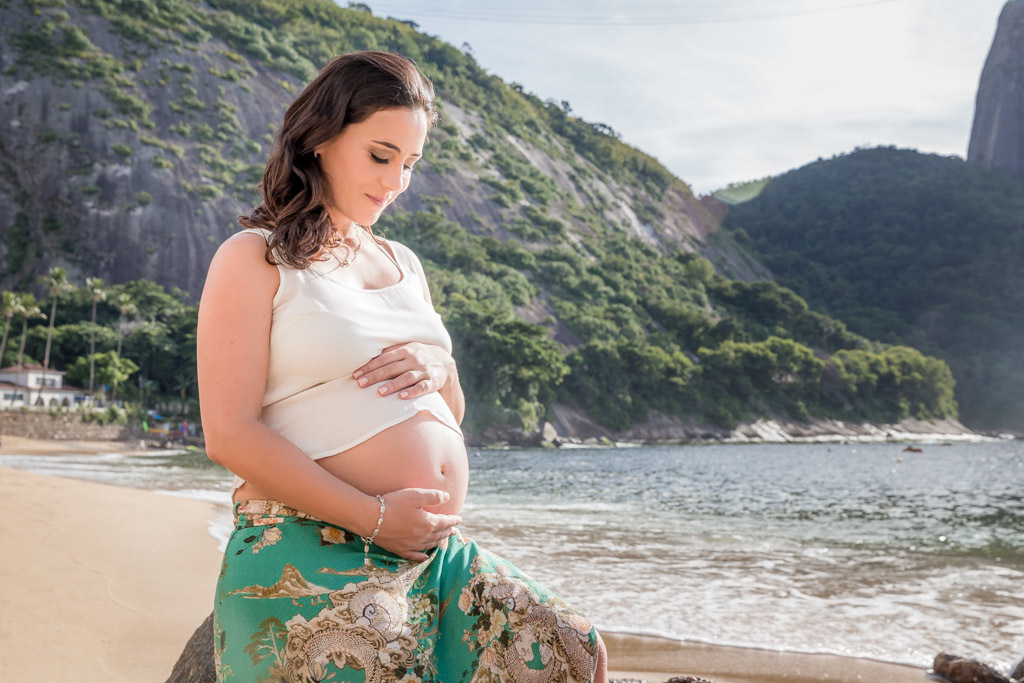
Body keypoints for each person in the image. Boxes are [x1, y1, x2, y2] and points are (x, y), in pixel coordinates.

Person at [197, 51, 609, 682]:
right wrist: (376, 518)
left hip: (431, 551)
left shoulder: (404, 263)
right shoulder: (255, 257)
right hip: (313, 534)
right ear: (320, 141)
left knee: (571, 646)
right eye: (380, 155)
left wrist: (441, 367)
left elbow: (448, 413)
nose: (395, 183)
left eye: (410, 164)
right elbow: (229, 433)